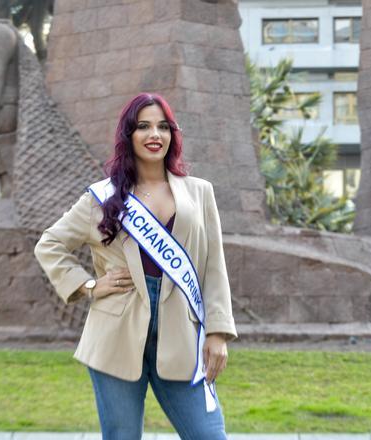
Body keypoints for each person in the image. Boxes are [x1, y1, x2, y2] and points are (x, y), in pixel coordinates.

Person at [34, 93, 237, 440]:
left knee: (208, 435)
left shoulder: (199, 192)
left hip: (182, 336)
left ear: (172, 134)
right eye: (143, 126)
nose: (154, 134)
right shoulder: (102, 197)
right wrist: (89, 286)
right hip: (115, 332)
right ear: (128, 135)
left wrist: (217, 332)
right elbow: (50, 245)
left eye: (162, 126)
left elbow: (213, 266)